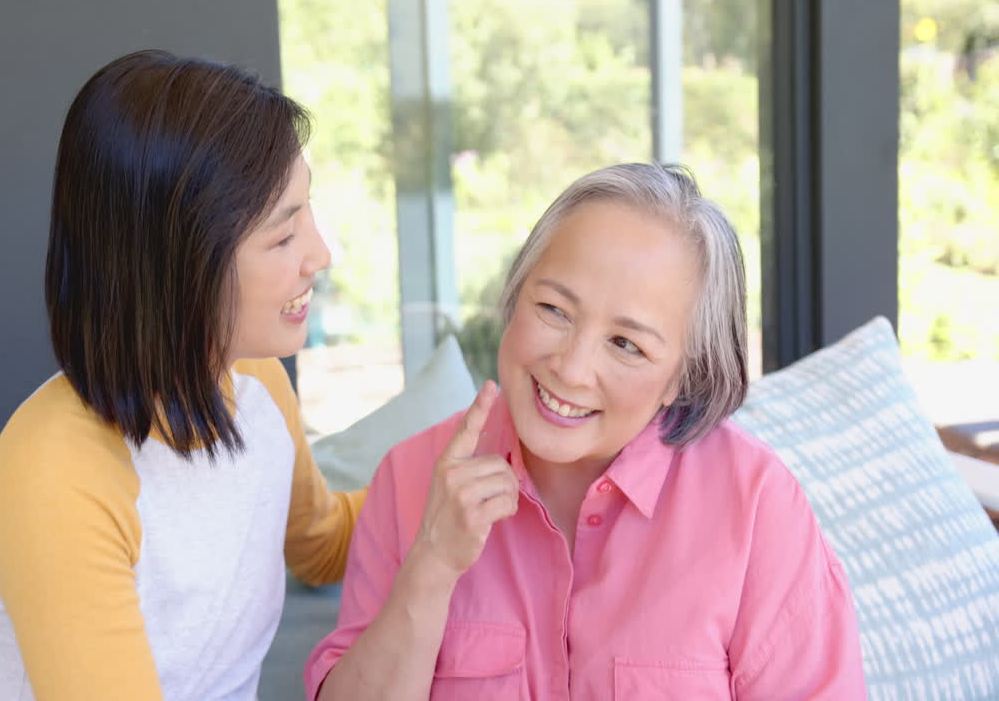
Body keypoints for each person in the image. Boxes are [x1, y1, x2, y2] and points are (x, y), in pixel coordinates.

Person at [306, 163, 866, 699]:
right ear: (514, 296)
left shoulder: (756, 505)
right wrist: (431, 567)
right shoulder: (409, 478)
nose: (571, 369)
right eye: (553, 309)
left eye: (627, 344)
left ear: (680, 377)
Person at [0, 49, 365, 701]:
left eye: (307, 212)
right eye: (284, 236)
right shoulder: (55, 476)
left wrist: (472, 460)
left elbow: (322, 545)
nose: (319, 254)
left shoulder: (255, 382)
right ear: (178, 264)